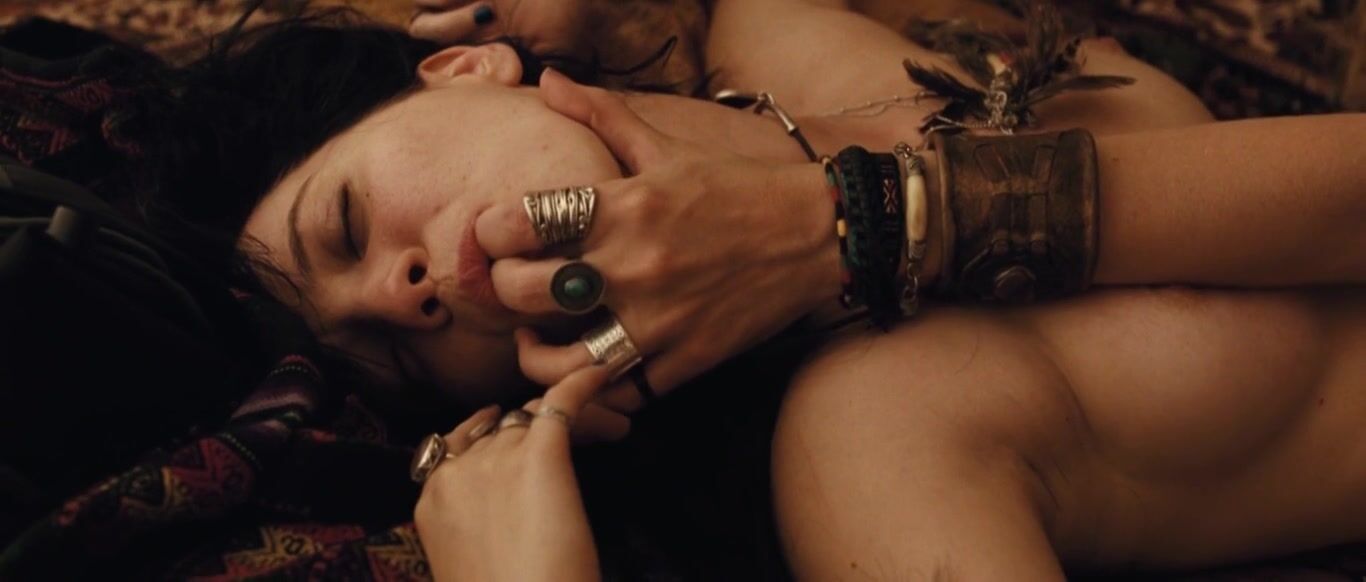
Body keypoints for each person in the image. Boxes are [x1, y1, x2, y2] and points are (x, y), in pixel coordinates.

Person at [131, 0, 1364, 579]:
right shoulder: (872, 434)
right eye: (393, 355)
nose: (401, 296)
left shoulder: (757, 37)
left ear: (461, 67)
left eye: (349, 224)